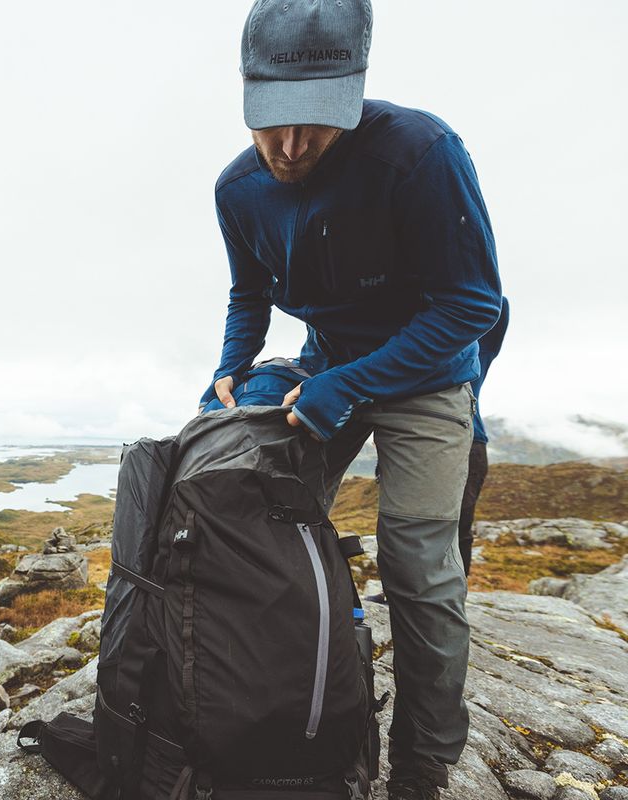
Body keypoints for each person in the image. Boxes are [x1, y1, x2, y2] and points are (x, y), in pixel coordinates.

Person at [198, 1, 502, 797]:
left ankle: (423, 762)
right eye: (273, 124)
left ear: (355, 93)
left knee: (419, 568)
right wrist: (231, 365)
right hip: (324, 361)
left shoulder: (422, 153)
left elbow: (472, 306)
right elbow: (248, 289)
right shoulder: (238, 189)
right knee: (242, 514)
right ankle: (266, 717)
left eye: (319, 122)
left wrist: (354, 385)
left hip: (430, 374)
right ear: (247, 92)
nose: (292, 147)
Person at [458, 296, 510, 575]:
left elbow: (499, 306)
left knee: (459, 525)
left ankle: (455, 594)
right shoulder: (411, 347)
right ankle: (397, 591)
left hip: (470, 444)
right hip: (409, 440)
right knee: (405, 524)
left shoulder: (477, 350)